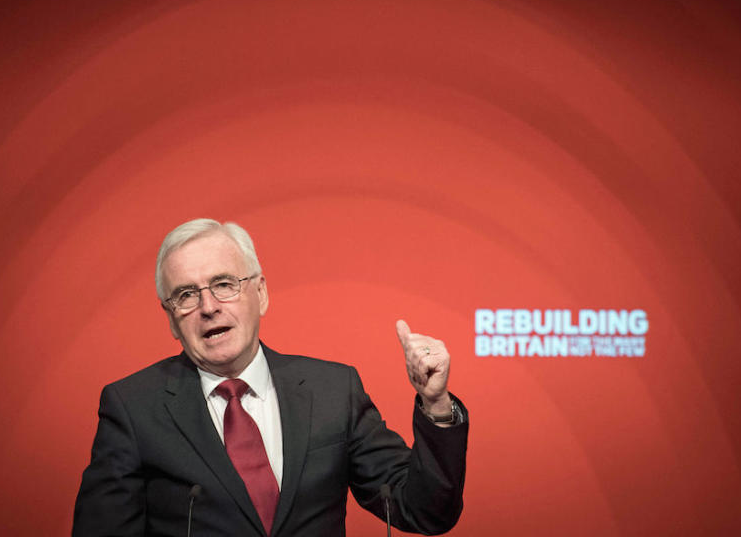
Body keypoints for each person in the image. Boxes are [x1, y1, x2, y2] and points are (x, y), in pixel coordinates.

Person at [72, 219, 468, 536]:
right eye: (187, 295)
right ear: (171, 319)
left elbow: (424, 511)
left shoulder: (333, 390)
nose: (208, 307)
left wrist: (436, 406)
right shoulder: (134, 408)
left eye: (224, 284)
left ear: (260, 293)